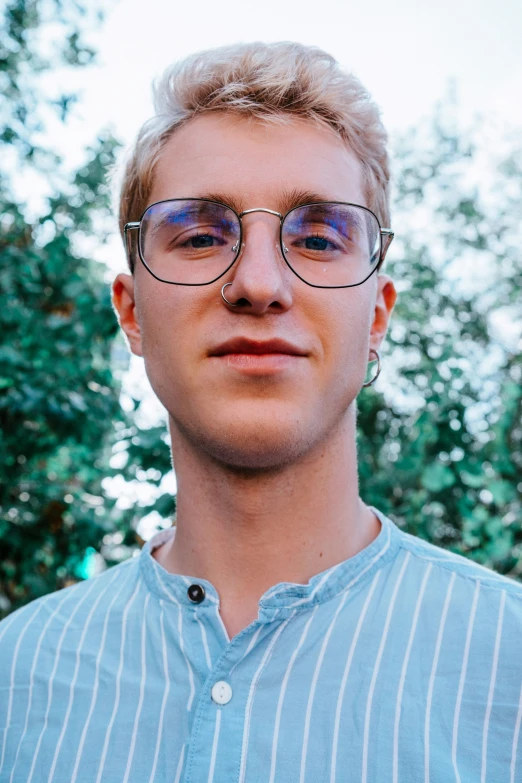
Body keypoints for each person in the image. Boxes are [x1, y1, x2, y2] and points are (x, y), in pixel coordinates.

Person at [0, 41, 521, 783]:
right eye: (201, 234)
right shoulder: (15, 680)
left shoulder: (510, 670)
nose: (257, 282)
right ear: (132, 312)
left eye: (316, 237)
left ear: (376, 315)